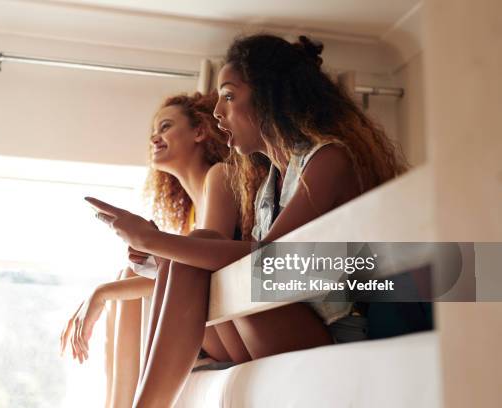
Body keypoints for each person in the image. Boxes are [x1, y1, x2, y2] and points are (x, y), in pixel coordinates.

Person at [86, 33, 408, 407]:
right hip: (268, 316)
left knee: (200, 249)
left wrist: (154, 242)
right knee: (193, 253)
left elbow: (268, 264)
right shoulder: (270, 181)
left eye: (228, 96)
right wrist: (160, 255)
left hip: (333, 329)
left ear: (270, 97)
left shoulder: (329, 160)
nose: (219, 112)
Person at [60, 91, 262, 408]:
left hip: (230, 318)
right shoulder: (194, 210)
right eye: (155, 130)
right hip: (215, 316)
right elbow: (182, 278)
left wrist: (101, 293)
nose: (155, 137)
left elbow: (200, 272)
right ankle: (117, 403)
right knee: (128, 272)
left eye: (166, 126)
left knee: (130, 278)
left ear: (200, 131)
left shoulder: (219, 177)